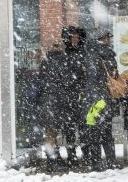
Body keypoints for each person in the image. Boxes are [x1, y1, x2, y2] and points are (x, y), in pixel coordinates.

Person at [38, 26, 86, 172]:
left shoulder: (45, 63)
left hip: (50, 101)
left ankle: (53, 159)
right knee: (66, 129)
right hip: (64, 100)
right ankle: (64, 158)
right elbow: (76, 80)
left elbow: (42, 81)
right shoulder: (68, 61)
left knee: (51, 132)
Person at [82, 30, 120, 171]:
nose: (109, 40)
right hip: (100, 98)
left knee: (102, 131)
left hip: (101, 97)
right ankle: (101, 162)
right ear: (101, 39)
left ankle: (105, 161)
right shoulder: (98, 56)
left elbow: (96, 77)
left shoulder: (103, 55)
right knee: (99, 131)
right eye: (107, 38)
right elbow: (95, 79)